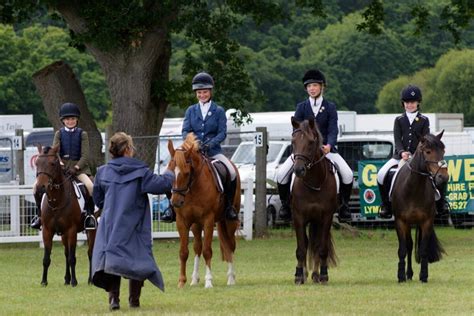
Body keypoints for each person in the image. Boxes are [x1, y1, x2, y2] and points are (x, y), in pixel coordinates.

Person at [92, 132, 175, 311]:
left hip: (110, 225)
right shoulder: (141, 172)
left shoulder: (102, 172)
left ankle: (114, 300)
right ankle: (134, 300)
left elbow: (98, 199)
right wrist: (170, 171)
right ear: (128, 149)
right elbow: (162, 185)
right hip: (134, 225)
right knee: (137, 259)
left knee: (112, 259)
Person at [160, 71, 239, 222]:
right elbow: (185, 131)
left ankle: (229, 207)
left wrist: (209, 144)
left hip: (213, 152)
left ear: (210, 92)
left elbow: (222, 133)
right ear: (196, 93)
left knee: (231, 172)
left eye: (205, 92)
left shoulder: (219, 111)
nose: (202, 95)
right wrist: (193, 143)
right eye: (199, 92)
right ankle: (171, 209)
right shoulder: (191, 110)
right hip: (192, 152)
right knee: (170, 172)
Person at [276, 69, 353, 221]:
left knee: (348, 174)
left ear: (321, 87)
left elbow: (332, 129)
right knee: (281, 174)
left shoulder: (330, 107)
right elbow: (296, 129)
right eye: (309, 86)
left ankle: (344, 205)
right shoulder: (301, 107)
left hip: (325, 150)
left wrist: (329, 145)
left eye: (315, 85)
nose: (312, 88)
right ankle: (285, 206)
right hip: (304, 151)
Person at [377, 85, 449, 218]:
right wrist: (401, 152)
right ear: (403, 103)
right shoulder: (399, 120)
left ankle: (441, 204)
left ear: (418, 103)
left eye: (413, 102)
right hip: (401, 156)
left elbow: (426, 140)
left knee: (440, 172)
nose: (410, 105)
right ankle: (386, 205)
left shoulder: (424, 120)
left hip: (420, 157)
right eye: (407, 102)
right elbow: (397, 139)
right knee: (381, 174)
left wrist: (417, 154)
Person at [31, 102, 97, 230]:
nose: (70, 121)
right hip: (61, 169)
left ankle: (89, 216)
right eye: (67, 119)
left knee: (90, 186)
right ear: (63, 121)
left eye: (72, 119)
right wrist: (60, 163)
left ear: (76, 120)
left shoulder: (82, 134)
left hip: (79, 169)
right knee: (35, 188)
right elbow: (55, 152)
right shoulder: (59, 134)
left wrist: (77, 167)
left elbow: (86, 155)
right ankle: (39, 215)